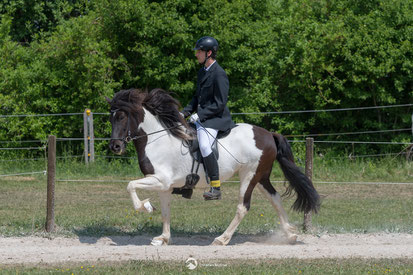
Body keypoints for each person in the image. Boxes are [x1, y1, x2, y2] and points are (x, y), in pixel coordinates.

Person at [182, 36, 235, 200]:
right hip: (202, 117)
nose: (196, 54)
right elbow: (196, 98)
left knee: (205, 146)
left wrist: (200, 114)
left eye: (199, 51)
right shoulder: (202, 72)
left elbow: (220, 103)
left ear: (209, 53)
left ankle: (216, 187)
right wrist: (183, 113)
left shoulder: (219, 74)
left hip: (215, 119)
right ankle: (187, 184)